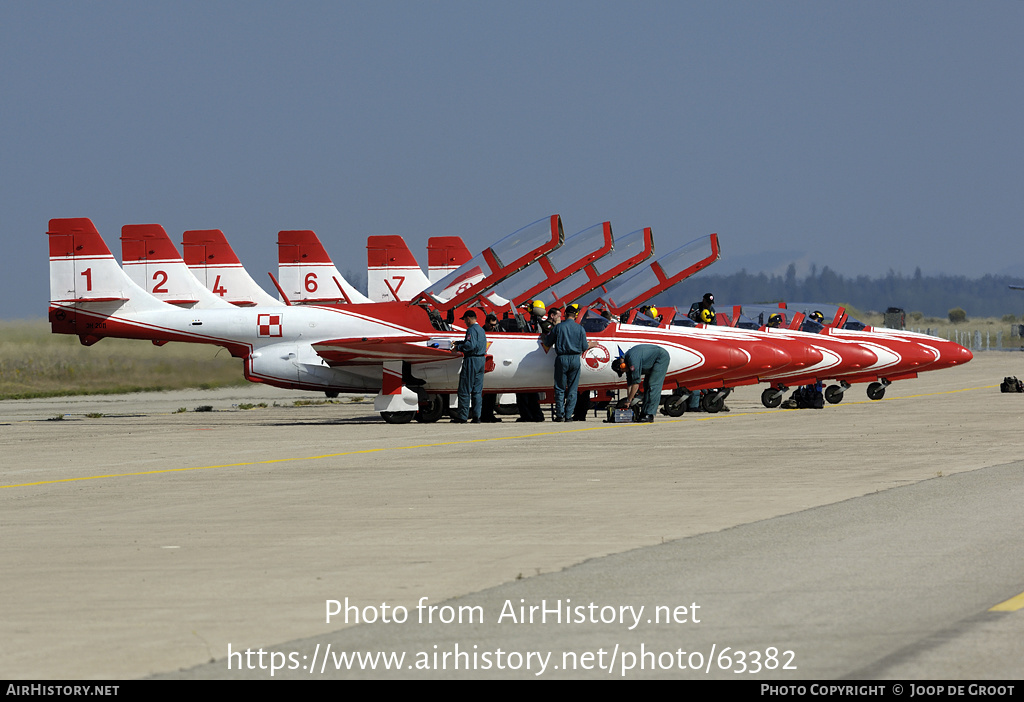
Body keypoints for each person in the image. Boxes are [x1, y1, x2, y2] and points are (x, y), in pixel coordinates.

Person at [549, 304, 590, 422]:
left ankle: (560, 415)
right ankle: (568, 416)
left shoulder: (559, 327)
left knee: (560, 388)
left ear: (565, 314)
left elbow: (548, 341)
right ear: (575, 315)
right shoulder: (580, 328)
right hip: (575, 359)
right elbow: (584, 346)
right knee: (573, 389)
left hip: (561, 358)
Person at [611, 344, 670, 423]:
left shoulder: (632, 362)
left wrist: (629, 401)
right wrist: (628, 399)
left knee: (653, 385)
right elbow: (630, 384)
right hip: (650, 361)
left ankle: (650, 414)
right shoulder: (626, 363)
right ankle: (644, 412)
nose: (624, 373)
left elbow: (635, 384)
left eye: (622, 371)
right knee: (646, 386)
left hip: (660, 358)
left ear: (622, 366)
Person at [452, 310, 486, 423]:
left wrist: (458, 347)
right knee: (477, 390)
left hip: (471, 360)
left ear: (468, 318)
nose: (465, 323)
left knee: (464, 389)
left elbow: (470, 345)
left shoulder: (471, 329)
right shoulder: (481, 330)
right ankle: (477, 416)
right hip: (481, 360)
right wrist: (459, 342)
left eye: (465, 320)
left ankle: (462, 416)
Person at [480, 313, 501, 422]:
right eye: (491, 325)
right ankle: (484, 415)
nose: (493, 327)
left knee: (492, 393)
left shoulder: (496, 332)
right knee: (486, 393)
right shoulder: (482, 332)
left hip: (493, 364)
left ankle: (489, 414)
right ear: (486, 323)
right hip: (484, 364)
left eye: (494, 325)